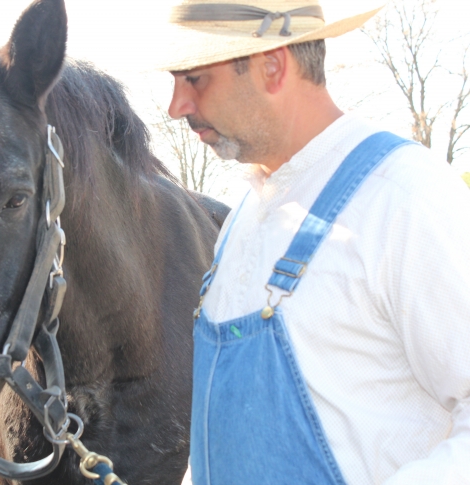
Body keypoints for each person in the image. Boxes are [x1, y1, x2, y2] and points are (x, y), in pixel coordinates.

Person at [158, 1, 470, 484]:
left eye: (194, 79)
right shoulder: (243, 215)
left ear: (272, 67)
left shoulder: (405, 198)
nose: (176, 105)